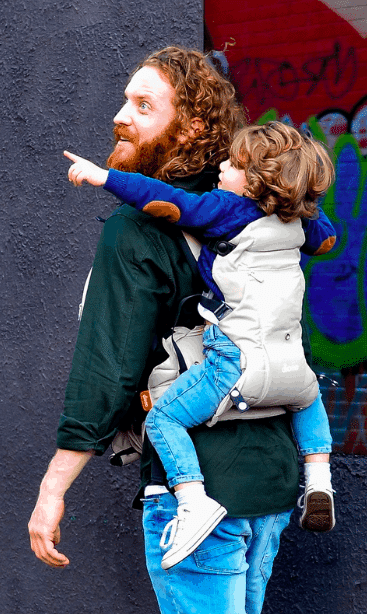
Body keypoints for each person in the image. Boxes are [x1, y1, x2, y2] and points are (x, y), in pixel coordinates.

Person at [28, 47, 318, 614]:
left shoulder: (134, 230)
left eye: (143, 105)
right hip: (272, 487)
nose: (121, 116)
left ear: (191, 129)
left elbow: (106, 370)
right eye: (124, 100)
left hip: (198, 496)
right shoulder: (267, 215)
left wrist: (51, 490)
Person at [64, 121, 336, 571]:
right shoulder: (302, 225)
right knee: (308, 400)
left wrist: (104, 177)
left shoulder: (229, 210)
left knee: (165, 417)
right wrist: (302, 193)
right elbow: (327, 239)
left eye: (231, 164)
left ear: (253, 182)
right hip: (290, 363)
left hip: (234, 362)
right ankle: (320, 478)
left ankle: (192, 501)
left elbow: (169, 202)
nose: (221, 168)